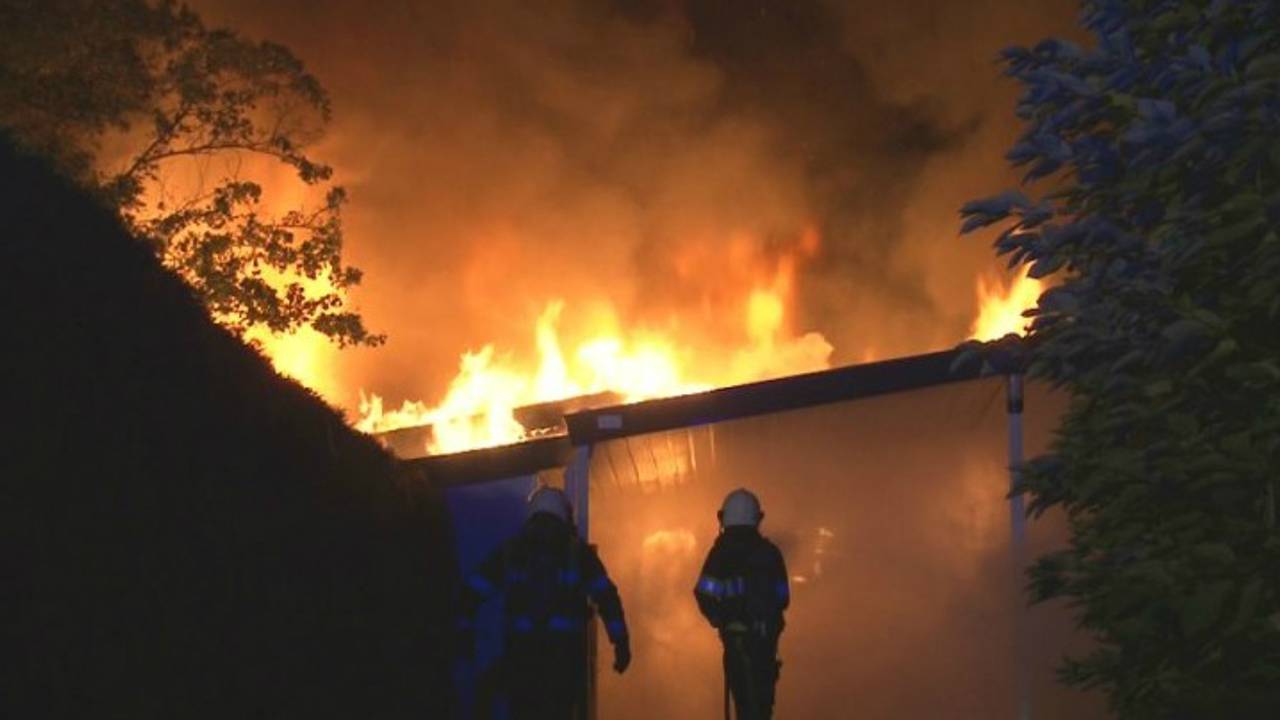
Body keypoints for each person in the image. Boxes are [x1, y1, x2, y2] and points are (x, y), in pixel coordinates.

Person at [460, 485, 630, 719]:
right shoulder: (579, 554)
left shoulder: (511, 551)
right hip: (563, 665)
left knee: (496, 696)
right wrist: (621, 643)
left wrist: (464, 634)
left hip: (520, 663)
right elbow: (607, 598)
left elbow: (471, 593)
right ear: (564, 516)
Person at [694, 489, 789, 720]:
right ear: (756, 518)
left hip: (737, 646)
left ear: (725, 518)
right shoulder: (771, 553)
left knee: (745, 705)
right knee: (762, 708)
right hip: (765, 646)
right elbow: (783, 598)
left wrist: (720, 620)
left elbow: (703, 593)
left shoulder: (720, 555)